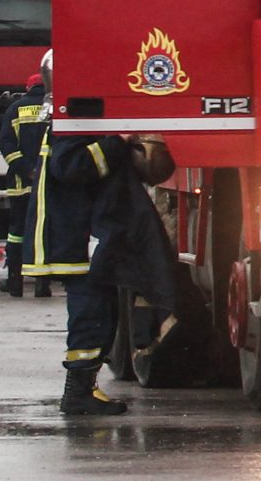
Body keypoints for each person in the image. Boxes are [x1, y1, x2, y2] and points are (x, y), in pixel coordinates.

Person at [32, 126, 176, 417]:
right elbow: (73, 167)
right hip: (80, 239)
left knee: (102, 311)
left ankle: (84, 388)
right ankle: (77, 392)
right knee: (91, 313)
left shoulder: (77, 125)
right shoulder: (71, 127)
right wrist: (117, 142)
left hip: (90, 235)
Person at [0, 53, 51, 299]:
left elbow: (6, 145)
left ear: (28, 88)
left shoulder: (15, 109)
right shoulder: (54, 108)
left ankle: (14, 282)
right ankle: (42, 285)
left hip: (20, 185)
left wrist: (25, 170)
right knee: (44, 232)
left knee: (16, 232)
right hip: (49, 185)